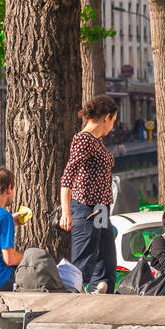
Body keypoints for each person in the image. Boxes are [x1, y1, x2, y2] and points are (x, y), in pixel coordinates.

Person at [59, 95, 119, 295]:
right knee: (84, 261)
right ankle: (71, 300)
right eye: (114, 120)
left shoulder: (97, 141)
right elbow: (68, 176)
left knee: (106, 263)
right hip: (86, 208)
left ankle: (101, 297)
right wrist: (66, 212)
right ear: (106, 117)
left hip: (101, 209)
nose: (113, 125)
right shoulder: (83, 139)